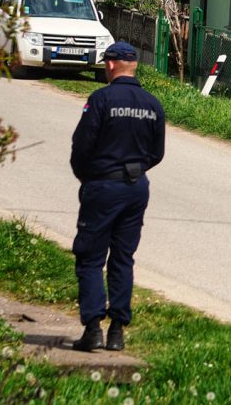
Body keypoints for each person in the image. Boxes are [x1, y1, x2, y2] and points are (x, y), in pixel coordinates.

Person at [69, 41, 165, 352]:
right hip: (136, 188)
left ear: (111, 65)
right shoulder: (152, 104)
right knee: (123, 258)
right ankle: (117, 332)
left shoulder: (100, 100)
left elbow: (82, 146)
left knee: (91, 257)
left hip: (102, 187)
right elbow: (156, 153)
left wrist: (89, 177)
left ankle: (93, 327)